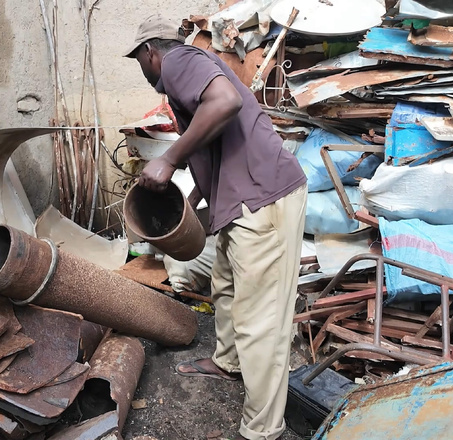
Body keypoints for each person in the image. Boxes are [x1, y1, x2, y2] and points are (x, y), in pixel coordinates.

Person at [124, 14, 307, 440]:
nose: (142, 68)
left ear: (151, 52)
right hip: (240, 200)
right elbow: (214, 146)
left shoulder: (180, 62)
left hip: (264, 199)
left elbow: (226, 103)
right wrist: (189, 203)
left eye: (138, 59)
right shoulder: (184, 77)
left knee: (260, 322)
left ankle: (262, 429)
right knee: (224, 283)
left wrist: (168, 160)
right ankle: (229, 363)